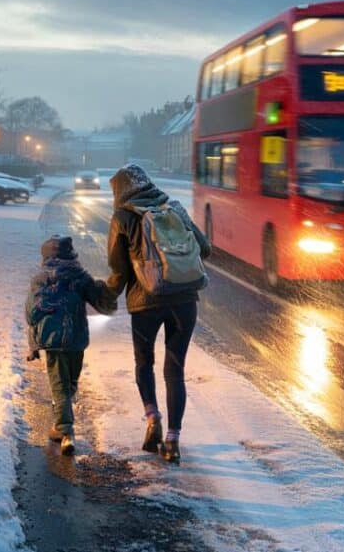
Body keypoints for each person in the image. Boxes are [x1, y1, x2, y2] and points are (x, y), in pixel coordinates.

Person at [104, 164, 211, 463]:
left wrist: (104, 297)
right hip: (184, 301)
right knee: (175, 370)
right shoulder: (173, 208)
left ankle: (153, 420)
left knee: (144, 364)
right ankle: (173, 441)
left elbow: (119, 270)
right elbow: (204, 249)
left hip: (146, 302)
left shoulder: (123, 216)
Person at [25, 235, 114, 456]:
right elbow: (103, 304)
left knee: (60, 385)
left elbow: (31, 313)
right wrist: (108, 288)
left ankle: (64, 429)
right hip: (76, 339)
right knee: (69, 383)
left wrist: (35, 339)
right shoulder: (80, 277)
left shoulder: (41, 279)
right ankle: (64, 428)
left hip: (53, 340)